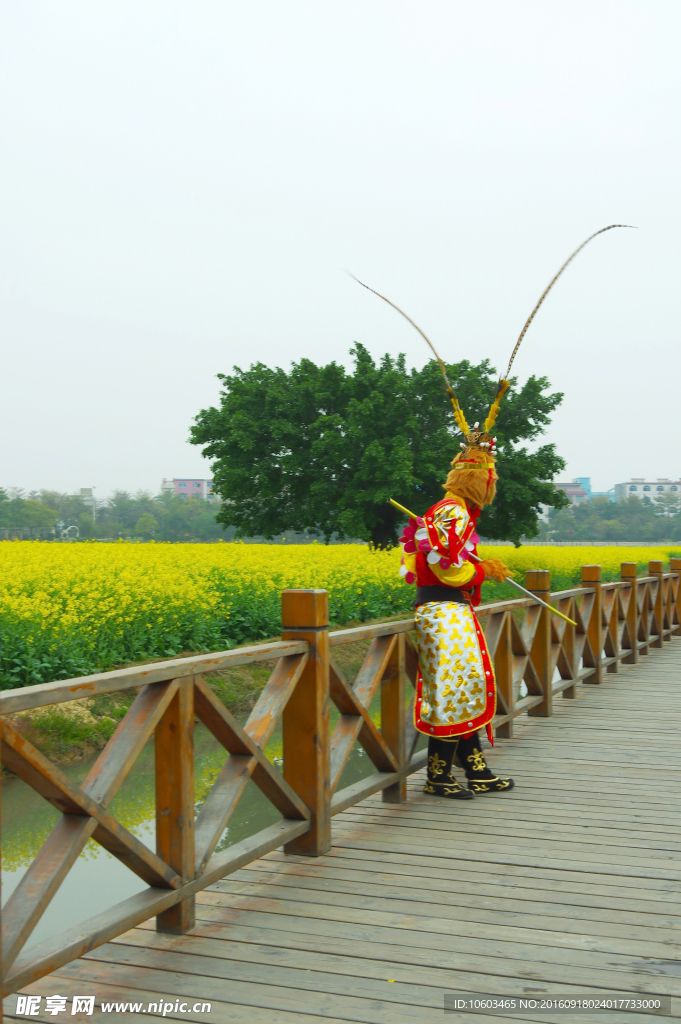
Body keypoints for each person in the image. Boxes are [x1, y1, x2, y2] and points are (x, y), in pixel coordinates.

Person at [399, 425, 515, 800]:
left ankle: (477, 768)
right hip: (442, 608)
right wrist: (485, 570)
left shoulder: (454, 510)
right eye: (489, 478)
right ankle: (438, 775)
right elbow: (446, 568)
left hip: (450, 609)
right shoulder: (454, 512)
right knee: (452, 690)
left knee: (467, 686)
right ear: (478, 479)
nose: (491, 485)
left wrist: (477, 568)